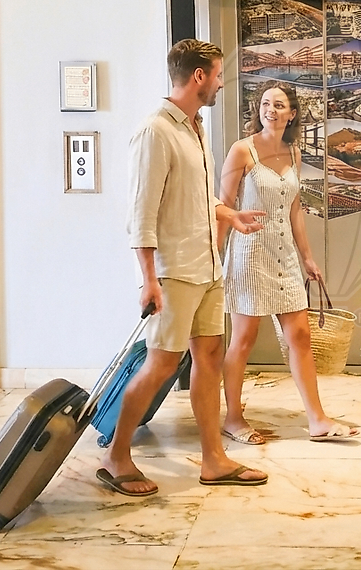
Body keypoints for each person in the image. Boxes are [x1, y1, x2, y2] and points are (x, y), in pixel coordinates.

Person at [97, 39, 269, 496]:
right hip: (173, 272)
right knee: (161, 364)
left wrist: (229, 214)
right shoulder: (155, 131)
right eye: (218, 74)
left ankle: (214, 459)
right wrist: (148, 280)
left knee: (209, 358)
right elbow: (141, 213)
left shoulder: (195, 128)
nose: (221, 83)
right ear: (198, 76)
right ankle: (116, 456)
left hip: (207, 268)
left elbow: (195, 196)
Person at [218, 81, 359, 444]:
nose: (271, 110)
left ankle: (317, 419)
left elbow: (295, 209)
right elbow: (222, 208)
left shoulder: (294, 153)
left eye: (279, 105)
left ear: (292, 114)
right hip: (249, 254)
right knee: (244, 338)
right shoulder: (242, 150)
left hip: (285, 255)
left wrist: (307, 257)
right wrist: (214, 258)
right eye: (266, 103)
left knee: (300, 334)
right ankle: (232, 418)